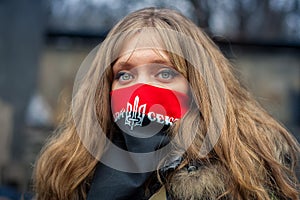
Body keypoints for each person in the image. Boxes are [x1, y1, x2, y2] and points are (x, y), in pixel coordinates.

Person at [33, 7, 299, 200]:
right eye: (125, 75)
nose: (142, 89)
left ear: (198, 87)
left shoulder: (253, 169)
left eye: (165, 73)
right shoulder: (68, 170)